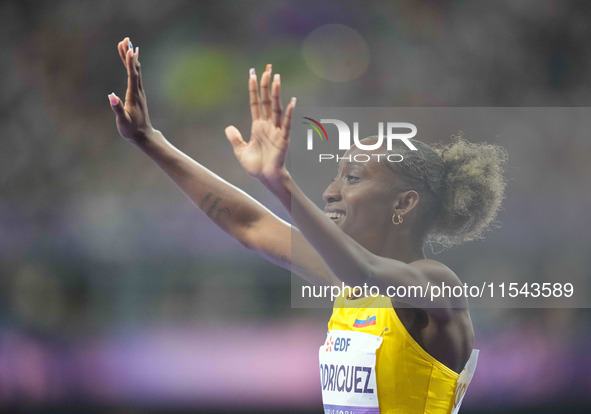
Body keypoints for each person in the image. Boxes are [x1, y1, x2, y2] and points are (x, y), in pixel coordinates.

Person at [109, 37, 506, 414]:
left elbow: (366, 271)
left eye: (353, 177)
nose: (331, 191)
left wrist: (280, 183)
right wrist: (149, 139)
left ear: (404, 203)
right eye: (336, 176)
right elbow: (248, 224)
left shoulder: (436, 284)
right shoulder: (349, 284)